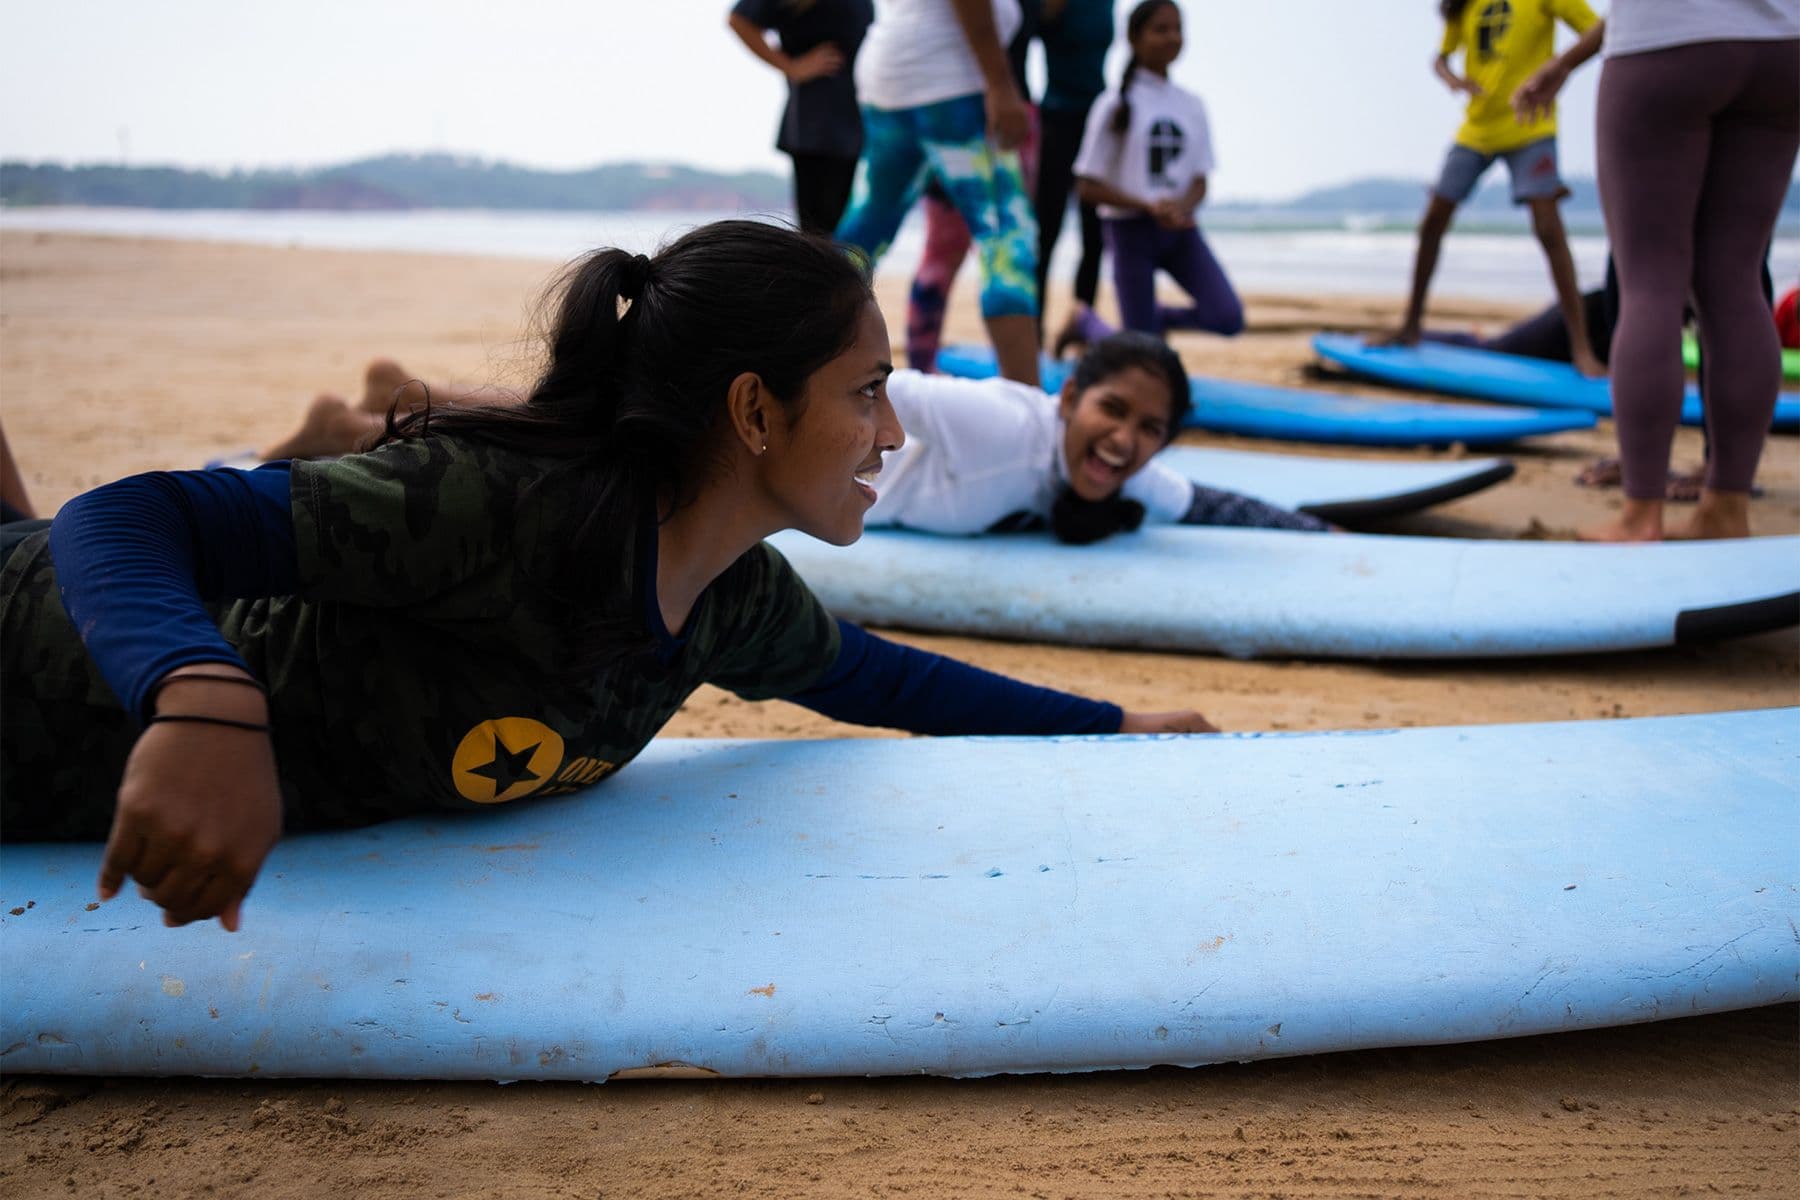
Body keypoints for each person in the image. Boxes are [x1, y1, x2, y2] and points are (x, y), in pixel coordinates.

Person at [0, 222, 1214, 933]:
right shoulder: (496, 512)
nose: (891, 435)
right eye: (864, 392)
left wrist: (1113, 721)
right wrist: (200, 697)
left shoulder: (728, 596)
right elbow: (129, 516)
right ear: (752, 410)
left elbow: (877, 679)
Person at [1523, 4, 1798, 541]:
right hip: (1783, 44)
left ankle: (1640, 513)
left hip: (1666, 40)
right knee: (1738, 282)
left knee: (1650, 283)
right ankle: (1726, 507)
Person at [872, 332, 1329, 541]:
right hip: (820, 494)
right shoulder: (1002, 424)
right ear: (1069, 399)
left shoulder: (1124, 477)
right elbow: (882, 383)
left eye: (1150, 429)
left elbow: (1212, 506)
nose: (1124, 439)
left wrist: (1328, 536)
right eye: (1113, 410)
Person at [1385, 0, 1607, 381]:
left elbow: (1598, 30)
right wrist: (1453, 79)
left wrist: (1560, 66)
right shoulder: (1465, 5)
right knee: (1433, 220)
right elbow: (1440, 57)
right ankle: (1410, 326)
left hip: (1530, 123)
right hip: (1477, 128)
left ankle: (1582, 349)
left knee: (1549, 231)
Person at [834, 0, 1042, 385]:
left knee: (862, 236)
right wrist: (1000, 84)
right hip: (951, 83)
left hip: (888, 79)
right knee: (1007, 240)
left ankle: (801, 367)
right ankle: (1029, 409)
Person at [1070, 0, 1243, 344]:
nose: (1172, 38)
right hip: (1128, 232)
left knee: (1226, 316)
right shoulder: (1114, 104)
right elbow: (1087, 186)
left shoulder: (1191, 105)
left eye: (1178, 29)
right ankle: (1085, 323)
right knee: (1141, 351)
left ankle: (1150, 318)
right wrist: (1146, 205)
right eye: (1161, 29)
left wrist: (1180, 207)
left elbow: (1199, 179)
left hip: (1179, 231)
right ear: (1135, 38)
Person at [727, 0, 874, 235]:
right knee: (820, 229)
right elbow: (739, 20)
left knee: (841, 225)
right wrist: (792, 67)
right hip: (818, 123)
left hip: (860, 117)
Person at [1038, 0, 1116, 354]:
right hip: (1055, 120)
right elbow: (1024, 31)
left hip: (1099, 121)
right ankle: (1033, 333)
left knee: (1094, 238)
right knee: (1045, 235)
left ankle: (1081, 330)